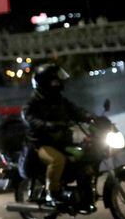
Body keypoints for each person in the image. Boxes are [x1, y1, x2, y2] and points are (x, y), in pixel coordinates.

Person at [22, 64, 93, 206]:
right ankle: (52, 193)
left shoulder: (59, 99)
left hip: (61, 141)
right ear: (45, 83)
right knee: (57, 160)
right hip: (41, 144)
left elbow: (76, 110)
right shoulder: (32, 104)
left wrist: (91, 117)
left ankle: (84, 193)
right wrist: (50, 125)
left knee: (86, 155)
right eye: (55, 81)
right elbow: (31, 120)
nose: (59, 84)